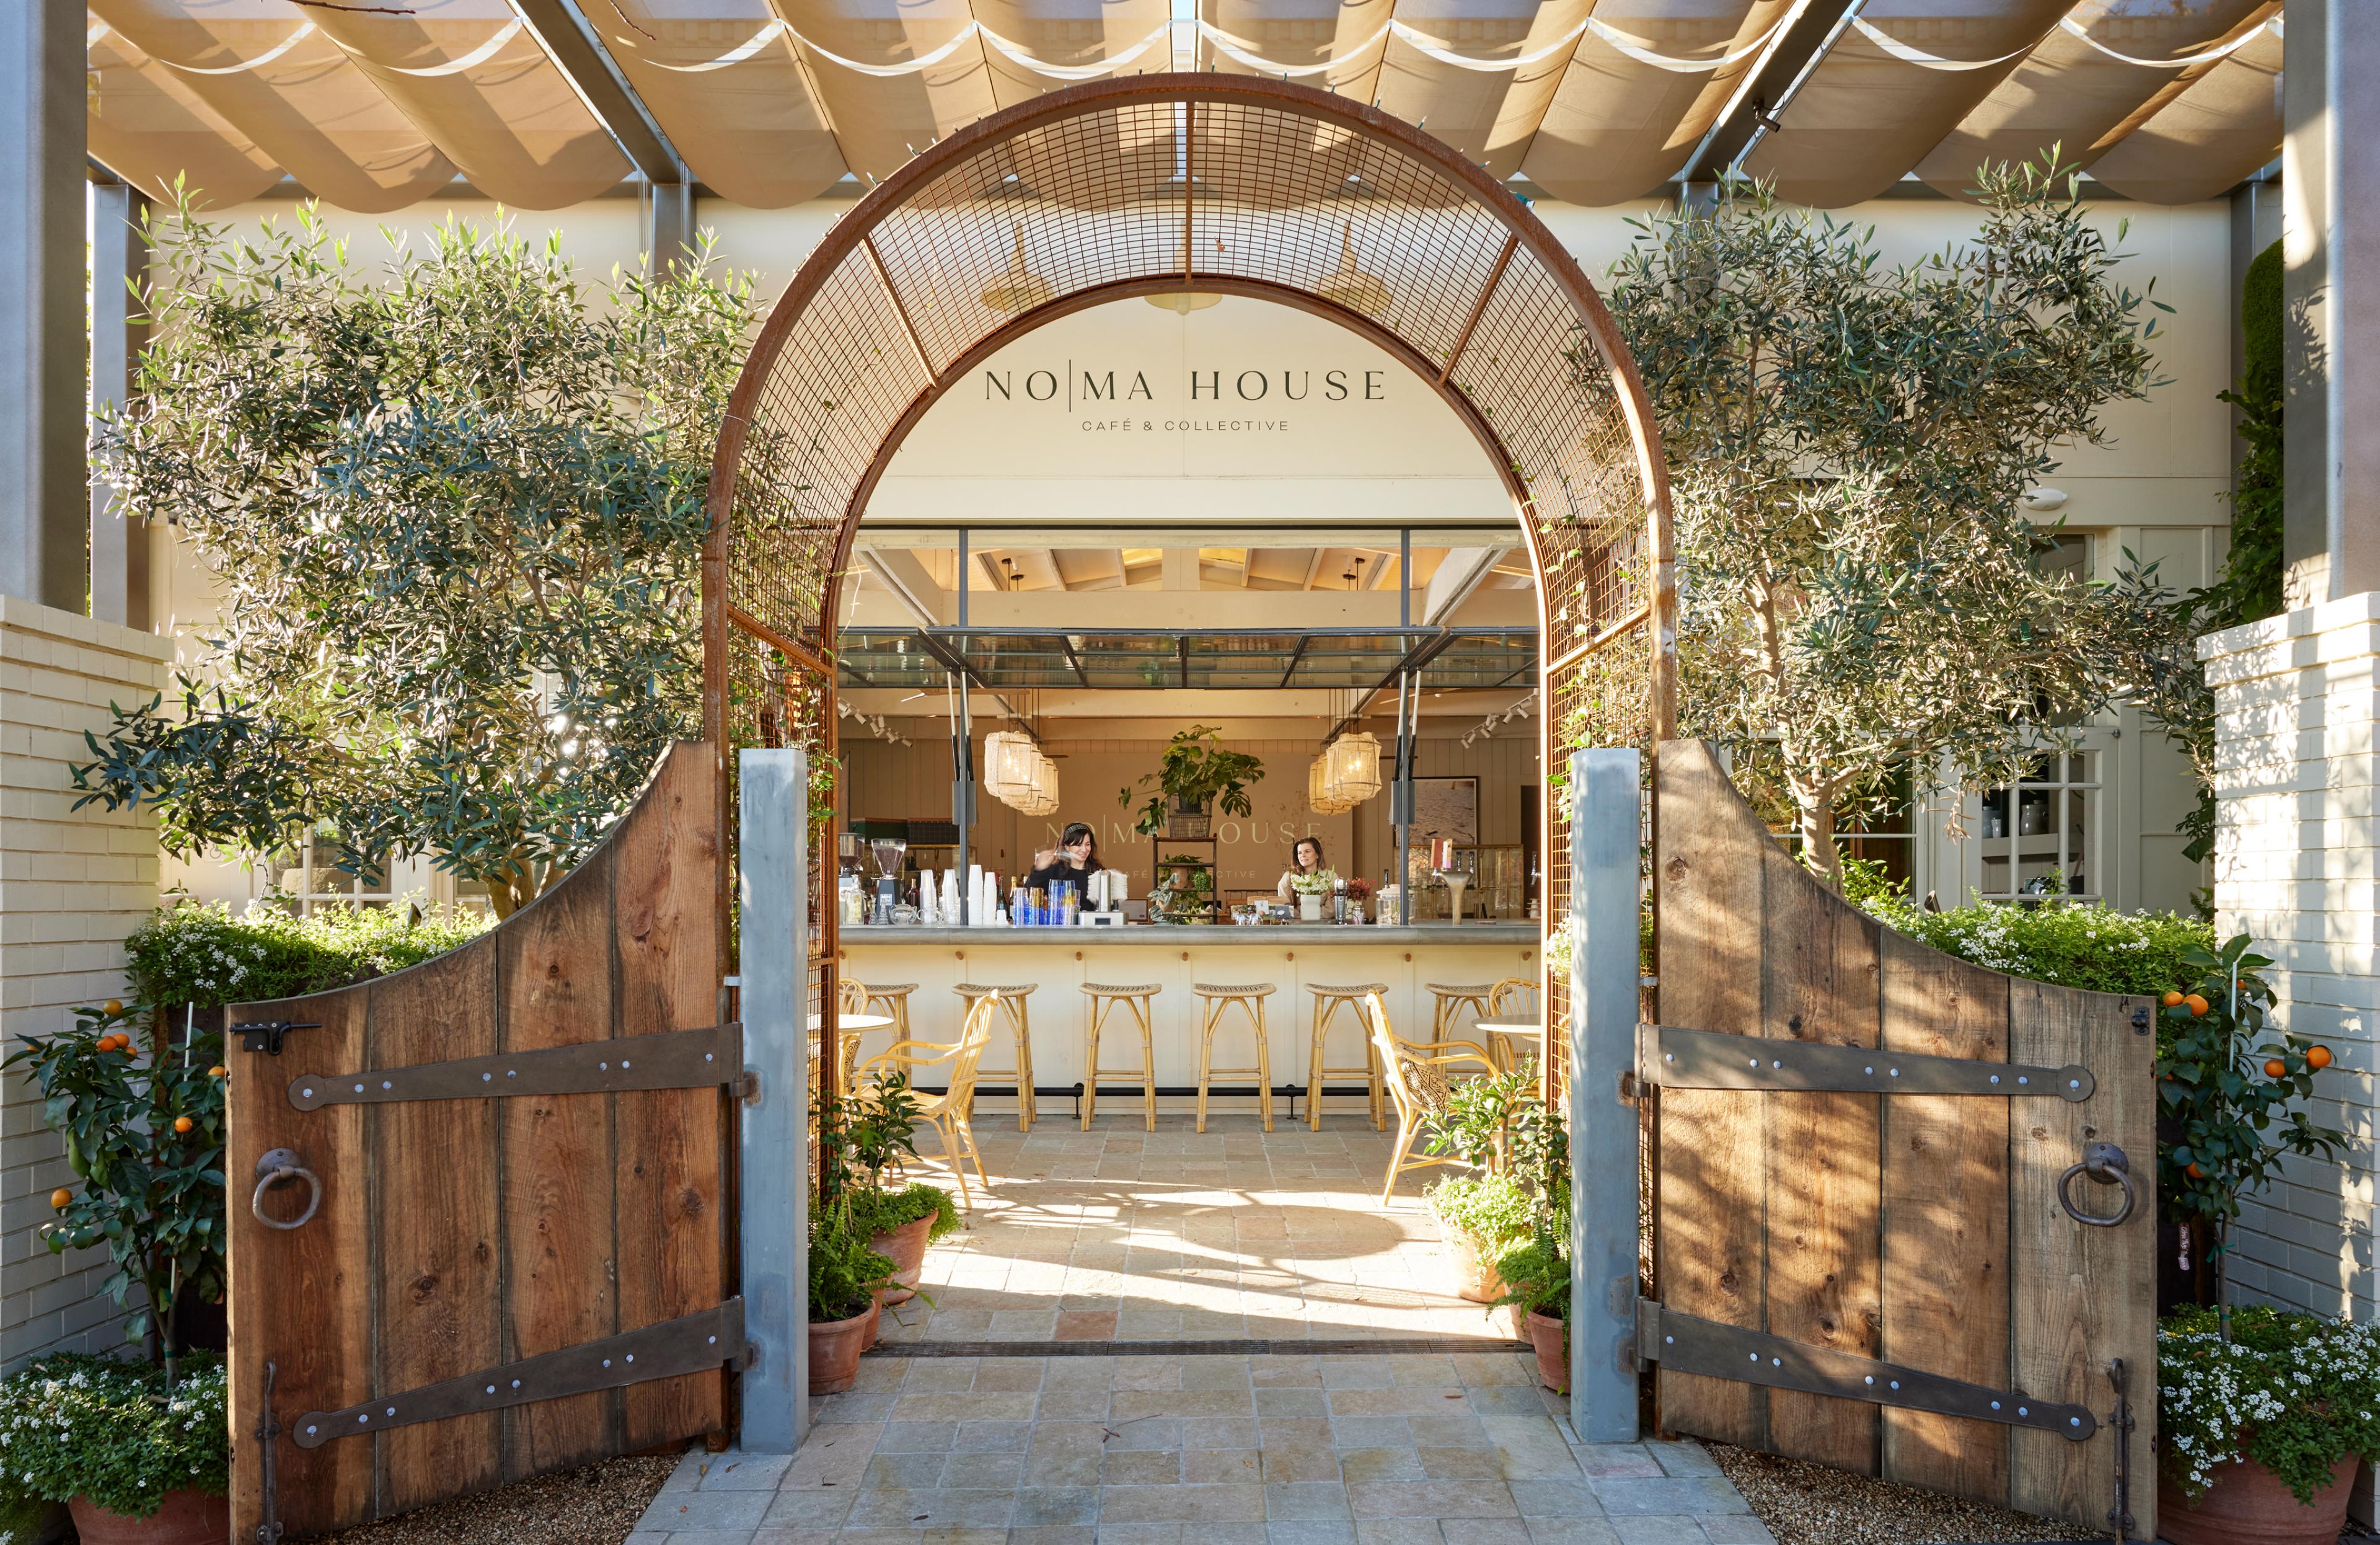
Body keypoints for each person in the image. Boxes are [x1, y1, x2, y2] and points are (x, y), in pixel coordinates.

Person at [1028, 821, 1106, 901]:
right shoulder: (1054, 871)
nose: (1084, 850)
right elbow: (1030, 895)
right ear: (1067, 847)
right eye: (1078, 845)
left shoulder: (1099, 872)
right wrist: (1039, 871)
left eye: (1087, 844)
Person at [1276, 835, 1331, 901]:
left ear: (1317, 855)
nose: (1303, 855)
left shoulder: (1330, 877)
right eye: (1300, 853)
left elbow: (1331, 909)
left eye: (1307, 852)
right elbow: (1285, 906)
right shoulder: (1288, 877)